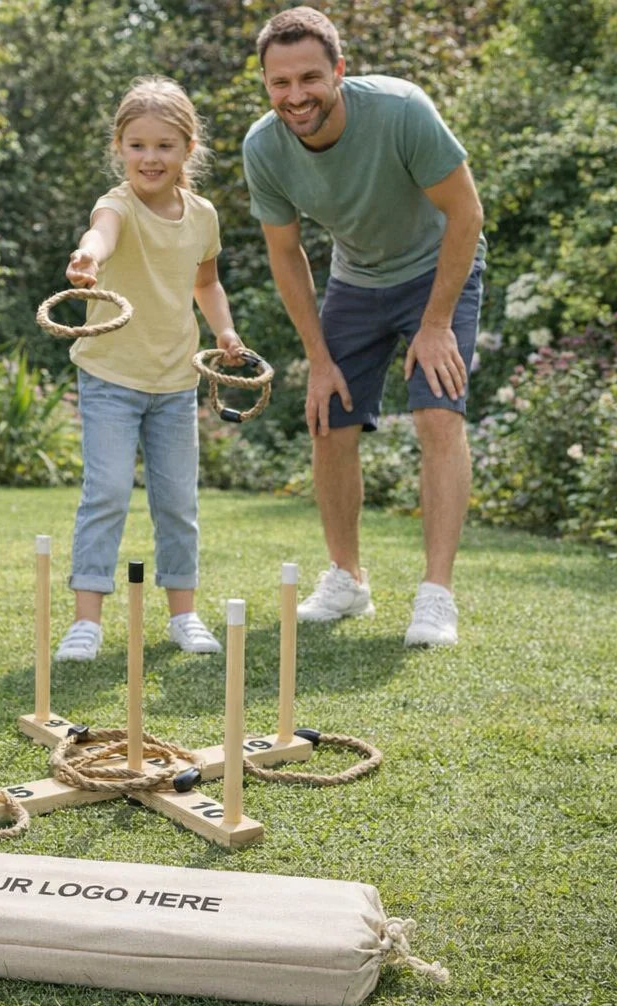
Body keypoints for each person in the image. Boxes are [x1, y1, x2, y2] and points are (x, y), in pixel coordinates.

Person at [242, 7, 486, 646]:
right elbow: (286, 254)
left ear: (340, 72)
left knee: (438, 414)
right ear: (265, 83)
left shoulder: (401, 110)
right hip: (357, 280)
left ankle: (436, 596)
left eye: (311, 78)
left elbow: (467, 215)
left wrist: (437, 324)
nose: (296, 96)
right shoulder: (263, 147)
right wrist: (318, 358)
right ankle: (348, 580)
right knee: (329, 416)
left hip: (438, 269)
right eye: (280, 83)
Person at [53, 76, 245, 662]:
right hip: (111, 376)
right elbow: (101, 233)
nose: (150, 157)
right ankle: (88, 621)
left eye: (164, 145)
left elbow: (205, 281)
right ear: (120, 147)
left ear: (189, 148)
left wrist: (224, 330)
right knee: (107, 493)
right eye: (137, 145)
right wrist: (89, 257)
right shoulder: (117, 205)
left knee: (177, 502)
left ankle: (183, 615)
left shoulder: (203, 215)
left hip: (175, 380)